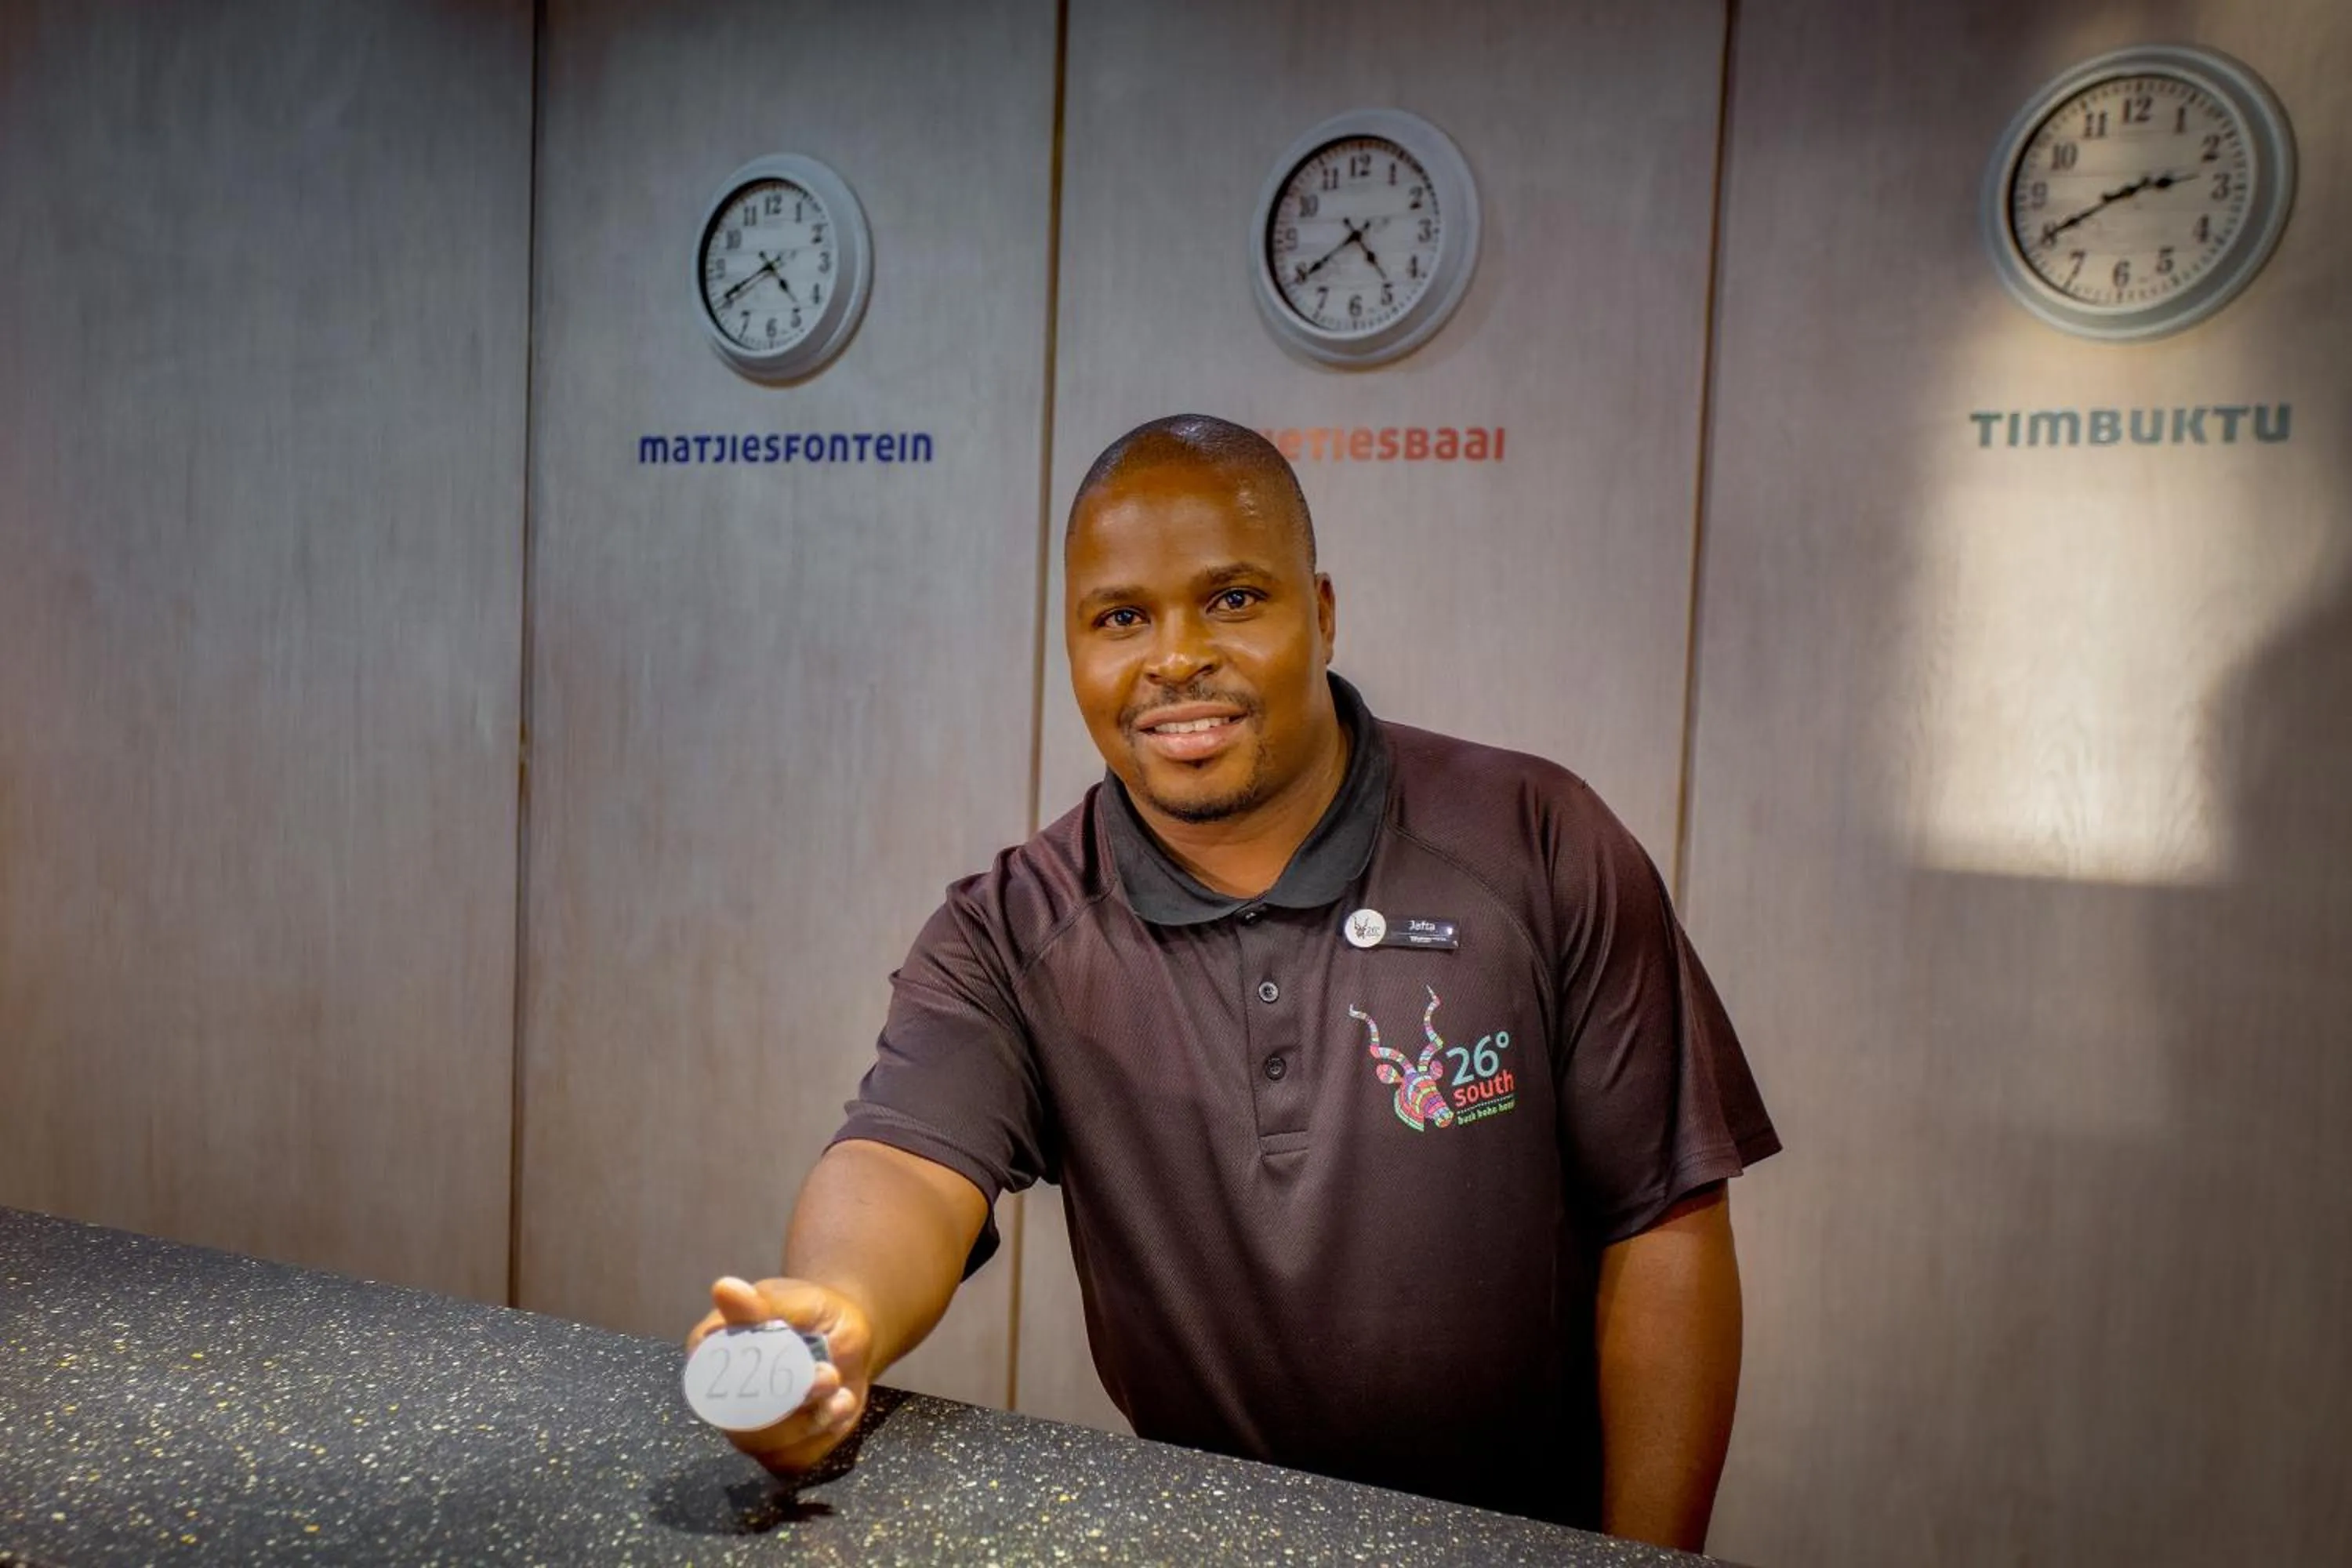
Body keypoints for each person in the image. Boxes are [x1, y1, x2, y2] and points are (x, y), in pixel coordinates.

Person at [688, 414, 1779, 1549]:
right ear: (1072, 646)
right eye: (1121, 619)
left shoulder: (1541, 842)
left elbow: (1667, 1228)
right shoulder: (1014, 929)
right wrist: (838, 1313)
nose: (1173, 659)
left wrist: (1643, 1558)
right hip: (1206, 1538)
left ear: (1322, 611)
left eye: (1232, 600)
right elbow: (903, 1162)